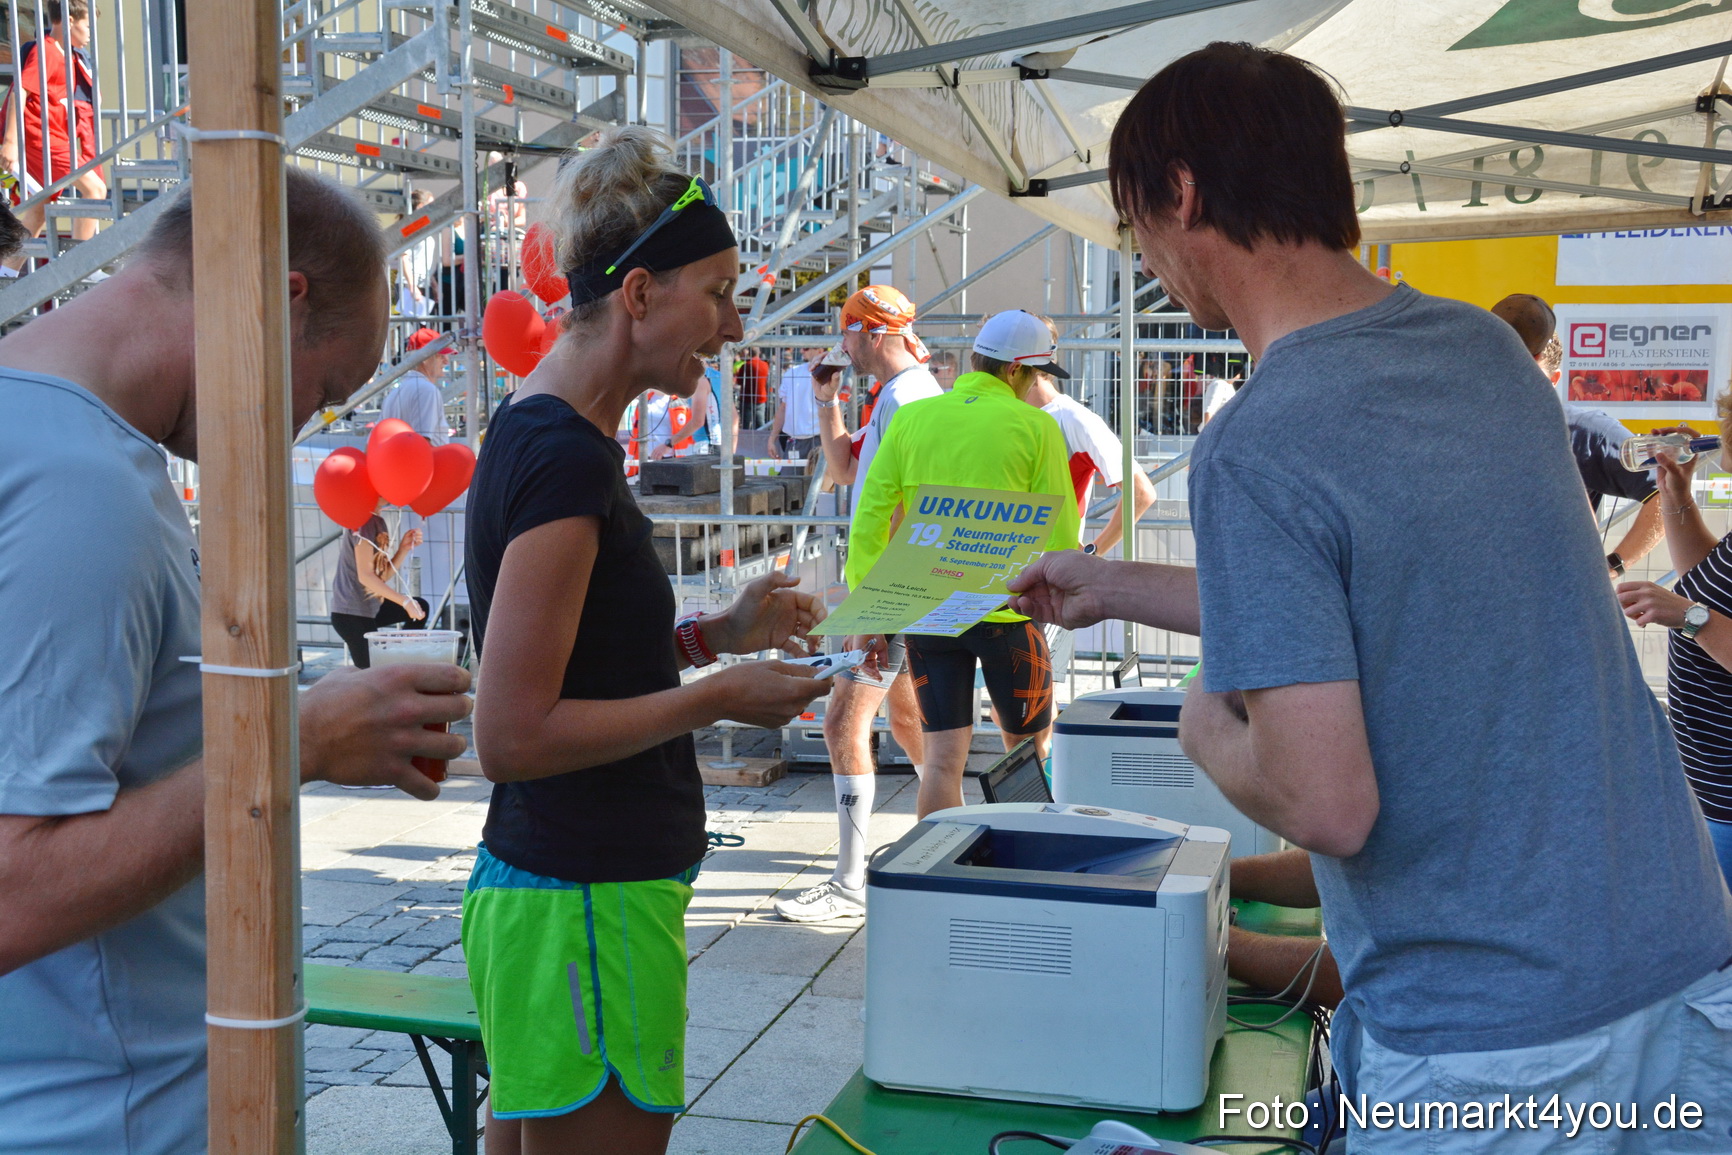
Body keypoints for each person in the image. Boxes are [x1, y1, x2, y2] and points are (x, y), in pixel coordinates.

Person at [1007, 42, 1732, 1149]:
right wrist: (1116, 585)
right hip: (1682, 975)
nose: (1145, 256)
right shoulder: (1483, 353)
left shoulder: (1261, 442)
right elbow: (1404, 593)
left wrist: (1208, 732)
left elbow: (1326, 801)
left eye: (1133, 222)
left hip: (1496, 1057)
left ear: (1184, 192)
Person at [0, 168, 472, 1154]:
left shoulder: (41, 437)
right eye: (325, 389)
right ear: (277, 294)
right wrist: (291, 744)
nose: (301, 424)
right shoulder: (85, 492)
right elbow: (16, 890)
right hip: (111, 1118)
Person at [462, 126, 830, 1154]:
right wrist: (718, 696)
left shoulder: (548, 434)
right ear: (637, 295)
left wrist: (716, 635)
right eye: (715, 291)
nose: (732, 322)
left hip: (569, 896)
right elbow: (514, 734)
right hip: (585, 902)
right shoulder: (565, 459)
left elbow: (580, 666)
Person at [847, 309, 1080, 818]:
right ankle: (1029, 877)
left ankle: (935, 882)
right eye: (1037, 374)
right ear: (1016, 371)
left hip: (929, 614)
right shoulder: (1035, 426)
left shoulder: (912, 419)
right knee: (1030, 755)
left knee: (941, 762)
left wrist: (870, 613)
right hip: (1007, 613)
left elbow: (870, 517)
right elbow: (1060, 531)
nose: (1036, 385)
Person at [773, 284, 937, 924]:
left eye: (847, 334)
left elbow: (910, 502)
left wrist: (880, 605)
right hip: (904, 586)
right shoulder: (903, 394)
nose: (841, 347)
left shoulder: (907, 398)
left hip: (896, 589)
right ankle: (946, 838)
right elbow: (844, 468)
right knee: (909, 721)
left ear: (871, 334)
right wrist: (825, 400)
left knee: (844, 721)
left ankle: (848, 883)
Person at [1617, 406, 1732, 886]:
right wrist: (1676, 494)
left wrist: (1691, 617)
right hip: (1708, 791)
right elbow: (1707, 577)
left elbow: (1701, 605)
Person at [1493, 292, 1663, 577]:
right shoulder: (1453, 424)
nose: (1511, 382)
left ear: (1554, 379)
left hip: (1552, 602)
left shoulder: (1583, 431)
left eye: (1525, 371)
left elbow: (1664, 494)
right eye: (1502, 367)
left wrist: (1614, 566)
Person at [1022, 314, 1156, 558]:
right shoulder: (1000, 413)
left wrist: (1091, 554)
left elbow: (1141, 492)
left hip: (1046, 578)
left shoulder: (1074, 419)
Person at [0, 0, 107, 261]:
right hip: (41, 137)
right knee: (95, 190)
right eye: (88, 25)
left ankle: (7, 272)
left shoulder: (70, 55)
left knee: (40, 207)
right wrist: (10, 142)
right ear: (69, 21)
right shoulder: (46, 51)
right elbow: (20, 92)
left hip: (55, 135)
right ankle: (80, 264)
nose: (92, 33)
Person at [329, 502, 428, 666]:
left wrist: (403, 549)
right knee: (372, 675)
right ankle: (394, 660)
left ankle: (397, 655)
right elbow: (366, 577)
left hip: (370, 608)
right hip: (351, 614)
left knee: (421, 606)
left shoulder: (377, 522)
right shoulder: (364, 521)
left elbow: (380, 576)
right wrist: (405, 601)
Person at [382, 325, 450, 444]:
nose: (446, 361)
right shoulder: (426, 390)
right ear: (424, 358)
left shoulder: (395, 391)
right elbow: (422, 443)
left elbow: (372, 442)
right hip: (424, 462)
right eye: (441, 356)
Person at [767, 345, 821, 464]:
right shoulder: (792, 373)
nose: (802, 350)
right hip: (795, 441)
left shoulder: (832, 374)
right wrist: (772, 439)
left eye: (806, 348)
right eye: (801, 348)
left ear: (819, 350)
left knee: (819, 481)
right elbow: (783, 408)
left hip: (820, 440)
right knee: (790, 480)